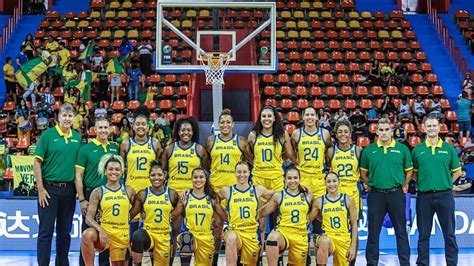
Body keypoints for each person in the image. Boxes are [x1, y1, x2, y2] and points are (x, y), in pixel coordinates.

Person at [34, 103, 82, 266]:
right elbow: (36, 162)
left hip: (69, 190)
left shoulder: (77, 137)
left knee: (64, 233)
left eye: (70, 116)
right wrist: (40, 188)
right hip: (49, 190)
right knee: (45, 232)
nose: (67, 119)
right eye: (64, 115)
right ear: (58, 117)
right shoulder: (47, 135)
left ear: (74, 118)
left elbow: (79, 168)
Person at [360, 118, 413, 266]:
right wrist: (371, 184)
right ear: (376, 131)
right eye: (381, 130)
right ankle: (371, 263)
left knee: (401, 232)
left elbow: (408, 172)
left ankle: (405, 263)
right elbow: (363, 174)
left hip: (396, 193)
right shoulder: (369, 150)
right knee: (373, 232)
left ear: (391, 131)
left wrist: (403, 185)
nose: (383, 133)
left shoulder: (402, 149)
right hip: (376, 194)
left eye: (386, 130)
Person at [412, 115, 461, 266]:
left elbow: (457, 172)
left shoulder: (448, 148)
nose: (432, 128)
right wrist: (425, 182)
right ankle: (422, 263)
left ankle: (452, 263)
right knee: (423, 235)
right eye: (429, 126)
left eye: (434, 125)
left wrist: (445, 182)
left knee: (449, 234)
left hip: (444, 195)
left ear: (439, 128)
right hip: (424, 196)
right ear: (424, 128)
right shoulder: (418, 150)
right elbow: (413, 173)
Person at [205, 109, 251, 264]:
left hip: (235, 191)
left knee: (237, 226)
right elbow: (206, 164)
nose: (225, 125)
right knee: (216, 227)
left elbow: (248, 162)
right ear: (218, 124)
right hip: (216, 190)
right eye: (222, 122)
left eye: (228, 122)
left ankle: (238, 259)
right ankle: (215, 259)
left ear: (233, 124)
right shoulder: (211, 141)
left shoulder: (241, 141)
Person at [162, 116, 209, 263]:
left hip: (193, 195)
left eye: (189, 130)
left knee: (193, 232)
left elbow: (206, 171)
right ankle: (169, 261)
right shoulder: (169, 149)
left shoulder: (199, 149)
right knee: (173, 231)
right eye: (183, 130)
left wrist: (194, 188)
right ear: (178, 131)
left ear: (193, 131)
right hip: (174, 196)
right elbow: (163, 172)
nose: (186, 133)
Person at [75, 118, 119, 266]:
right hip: (90, 195)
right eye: (100, 127)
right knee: (88, 234)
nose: (103, 130)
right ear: (94, 129)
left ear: (110, 129)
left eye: (106, 127)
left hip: (110, 195)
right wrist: (82, 199)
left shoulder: (114, 148)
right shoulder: (85, 149)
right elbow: (78, 175)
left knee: (106, 232)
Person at [217, 161, 276, 265]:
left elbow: (277, 195)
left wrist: (297, 187)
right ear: (234, 173)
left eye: (245, 172)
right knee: (231, 238)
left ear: (249, 173)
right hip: (235, 230)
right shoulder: (227, 191)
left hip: (251, 233)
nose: (242, 175)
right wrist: (225, 217)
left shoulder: (257, 189)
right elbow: (213, 200)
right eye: (239, 172)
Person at [81, 154, 135, 266]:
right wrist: (101, 230)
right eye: (110, 169)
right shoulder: (98, 191)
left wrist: (128, 218)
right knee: (88, 234)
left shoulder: (129, 190)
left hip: (122, 234)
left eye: (117, 169)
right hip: (106, 233)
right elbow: (89, 218)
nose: (113, 172)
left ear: (121, 172)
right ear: (105, 171)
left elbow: (137, 209)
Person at [170, 167, 227, 266]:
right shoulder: (185, 198)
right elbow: (173, 215)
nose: (198, 180)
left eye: (201, 177)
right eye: (195, 177)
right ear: (191, 179)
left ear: (206, 179)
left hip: (206, 238)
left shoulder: (212, 198)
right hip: (191, 234)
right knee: (186, 240)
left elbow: (225, 216)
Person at [258, 166, 314, 266]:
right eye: (289, 178)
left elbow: (317, 212)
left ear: (300, 179)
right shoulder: (279, 195)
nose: (292, 181)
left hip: (300, 235)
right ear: (285, 180)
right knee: (272, 238)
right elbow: (262, 212)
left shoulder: (308, 196)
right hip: (283, 232)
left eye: (295, 178)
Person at [129, 160, 179, 266]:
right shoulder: (142, 194)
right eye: (153, 175)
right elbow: (130, 214)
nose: (156, 178)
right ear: (149, 176)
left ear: (164, 175)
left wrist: (174, 233)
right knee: (137, 236)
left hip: (164, 236)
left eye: (159, 175)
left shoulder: (172, 193)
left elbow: (180, 210)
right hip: (149, 235)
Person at [120, 109, 162, 232]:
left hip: (150, 189)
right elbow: (121, 167)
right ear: (133, 126)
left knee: (149, 224)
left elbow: (158, 165)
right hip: (131, 188)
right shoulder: (125, 144)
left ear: (148, 127)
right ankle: (129, 251)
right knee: (131, 225)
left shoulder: (155, 143)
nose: (140, 127)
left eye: (143, 124)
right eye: (137, 124)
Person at [313, 172, 358, 265]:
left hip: (343, 238)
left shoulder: (349, 199)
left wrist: (353, 246)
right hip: (328, 236)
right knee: (323, 241)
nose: (332, 184)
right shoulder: (319, 201)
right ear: (325, 184)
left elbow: (354, 224)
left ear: (339, 182)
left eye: (334, 181)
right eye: (329, 181)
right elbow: (308, 219)